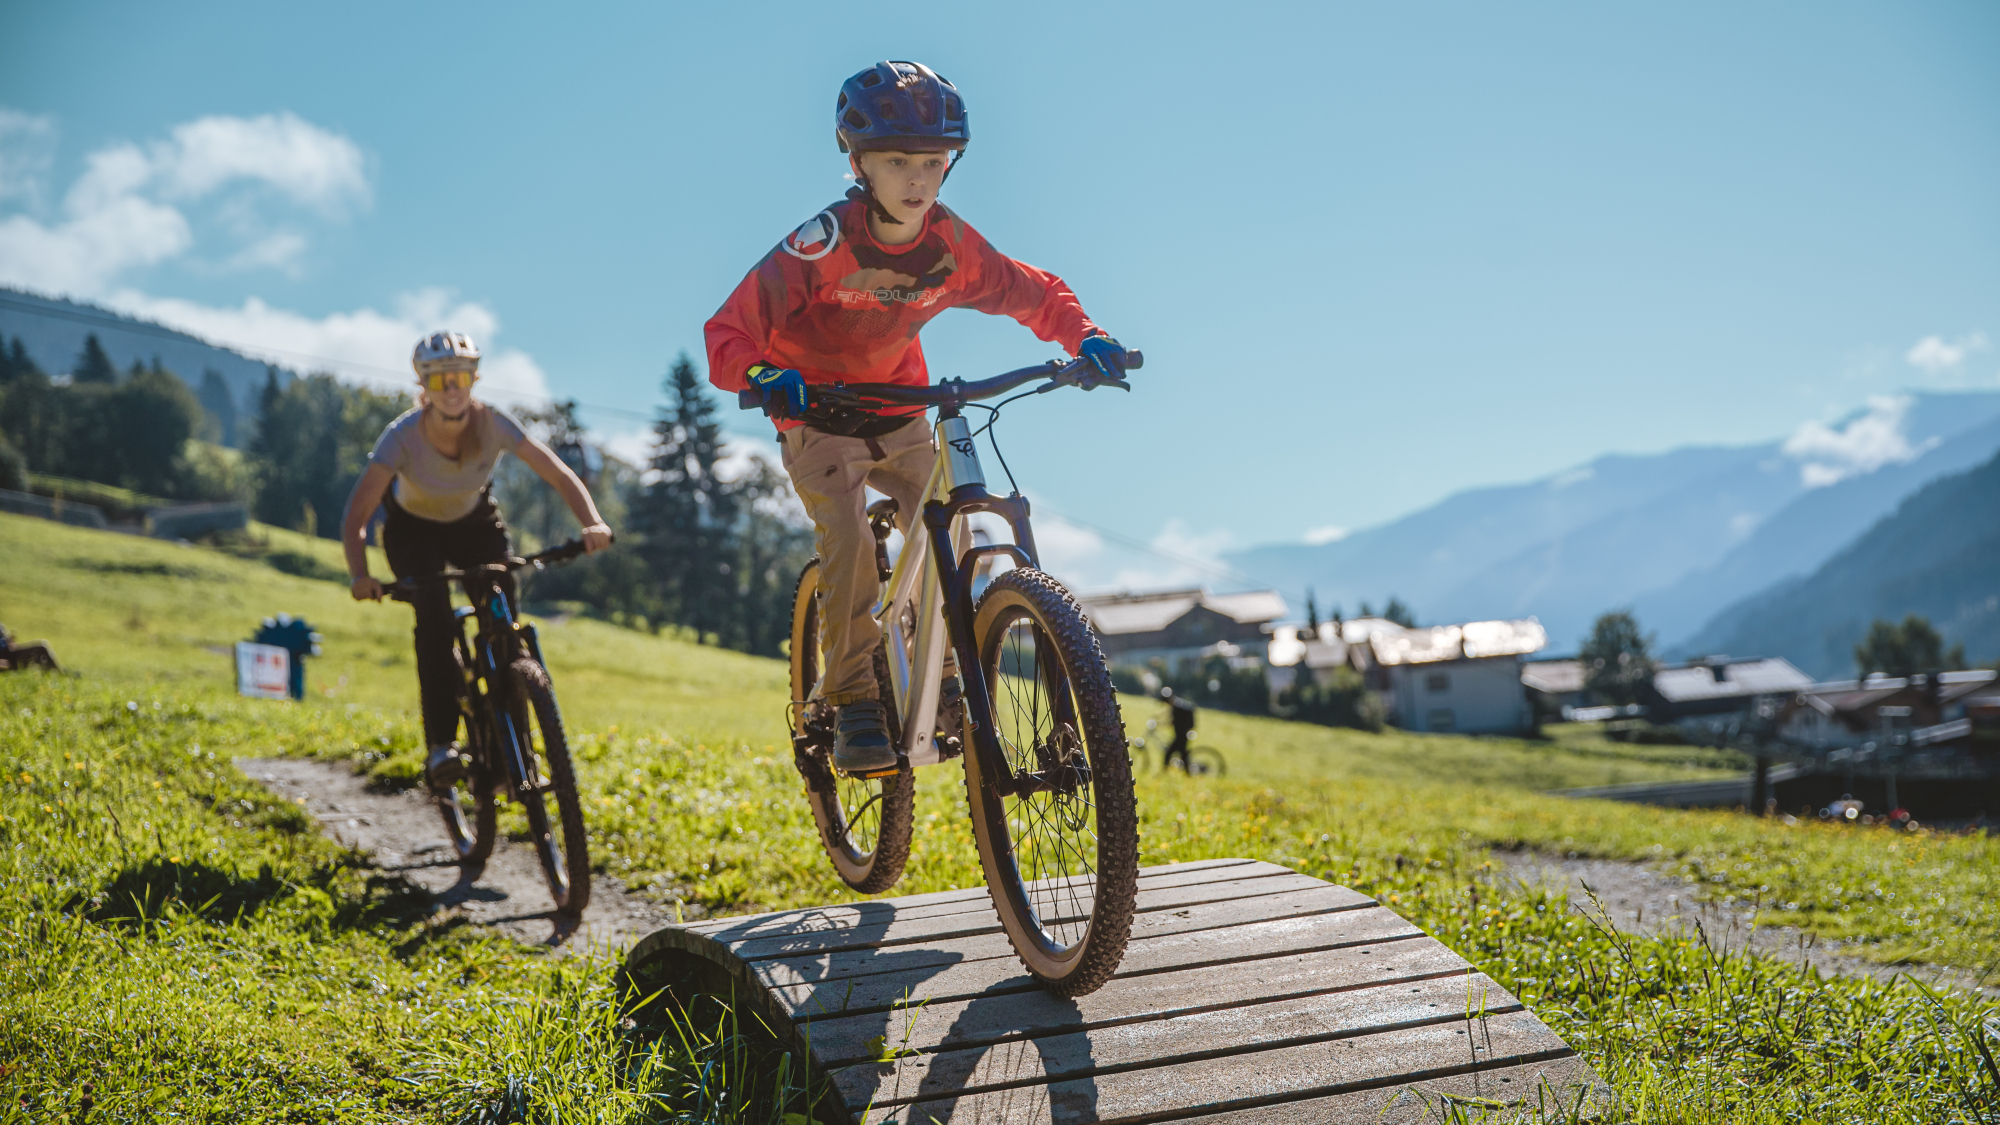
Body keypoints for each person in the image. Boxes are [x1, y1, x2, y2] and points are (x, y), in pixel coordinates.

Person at [705, 61, 1133, 775]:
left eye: (933, 161)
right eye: (897, 160)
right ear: (857, 161)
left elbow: (1032, 292)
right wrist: (763, 375)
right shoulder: (823, 244)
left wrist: (1084, 337)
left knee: (953, 528)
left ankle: (949, 674)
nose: (917, 177)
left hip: (903, 406)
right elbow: (730, 331)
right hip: (817, 412)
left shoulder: (949, 245)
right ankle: (853, 698)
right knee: (844, 541)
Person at [342, 332, 613, 790]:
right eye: (441, 378)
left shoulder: (495, 424)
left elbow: (557, 473)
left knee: (502, 621)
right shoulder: (402, 437)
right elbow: (357, 516)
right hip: (413, 530)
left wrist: (592, 523)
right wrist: (359, 575)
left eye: (462, 376)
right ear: (424, 385)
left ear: (474, 379)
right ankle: (442, 748)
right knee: (434, 617)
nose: (452, 388)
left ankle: (517, 754)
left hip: (474, 523)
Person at [1160, 686, 1197, 772]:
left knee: (1169, 753)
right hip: (1182, 734)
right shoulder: (1176, 706)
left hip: (1181, 735)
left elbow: (1173, 720)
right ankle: (1188, 772)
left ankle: (1164, 770)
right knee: (1183, 755)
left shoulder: (1177, 707)